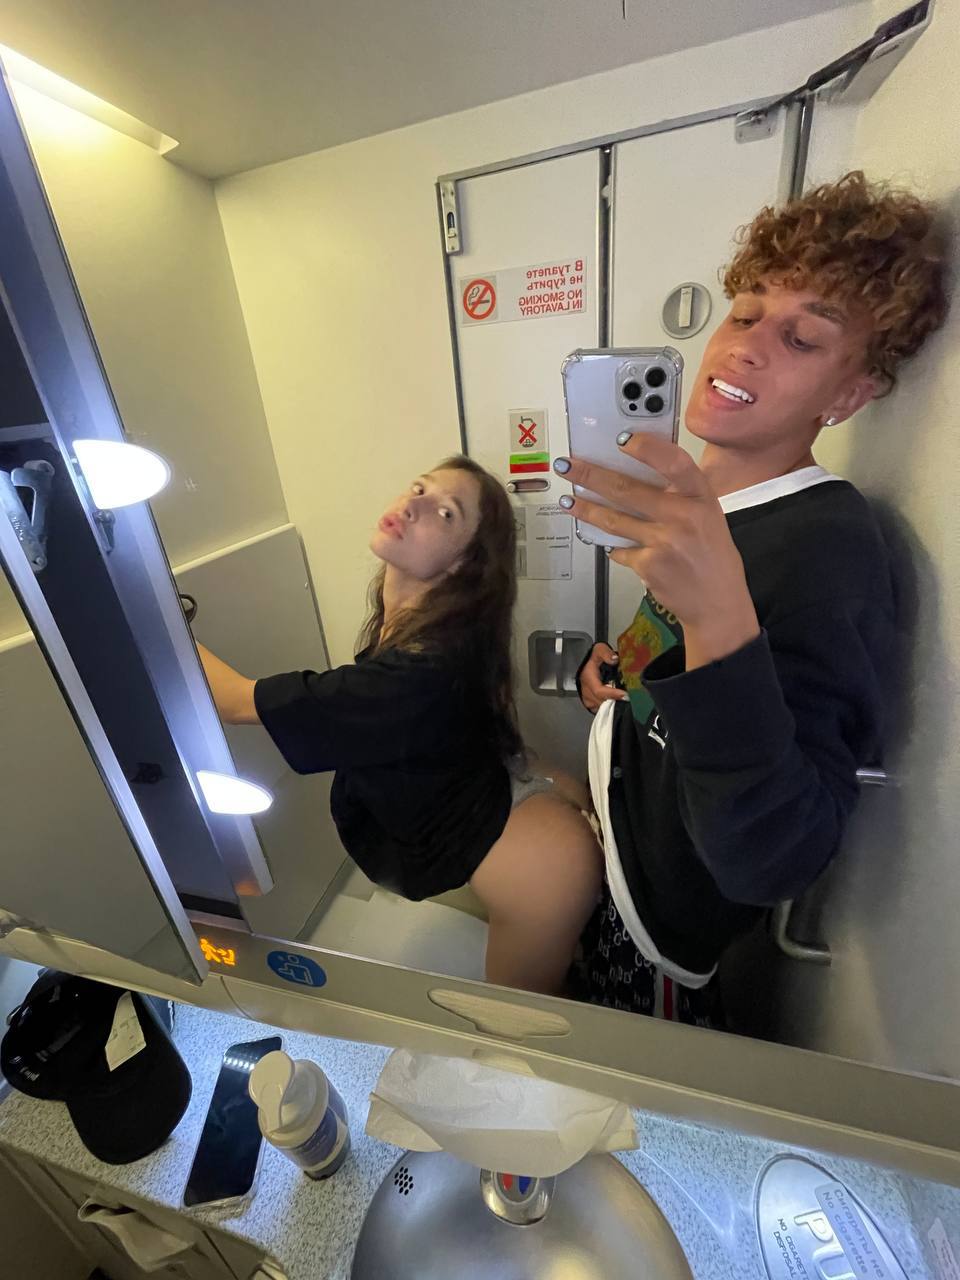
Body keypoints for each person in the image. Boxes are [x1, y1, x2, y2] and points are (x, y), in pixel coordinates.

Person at [553, 171, 948, 1025]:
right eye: (744, 314)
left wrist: (717, 614)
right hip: (615, 839)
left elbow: (777, 856)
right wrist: (614, 677)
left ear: (849, 396)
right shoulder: (700, 503)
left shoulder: (829, 548)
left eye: (801, 338)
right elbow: (688, 669)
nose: (746, 347)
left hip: (660, 930)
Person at [196, 456, 601, 995]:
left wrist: (151, 609)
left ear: (464, 563)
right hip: (516, 804)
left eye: (445, 512)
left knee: (514, 1025)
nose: (413, 505)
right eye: (418, 487)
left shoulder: (415, 673)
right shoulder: (439, 631)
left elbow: (231, 701)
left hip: (542, 870)